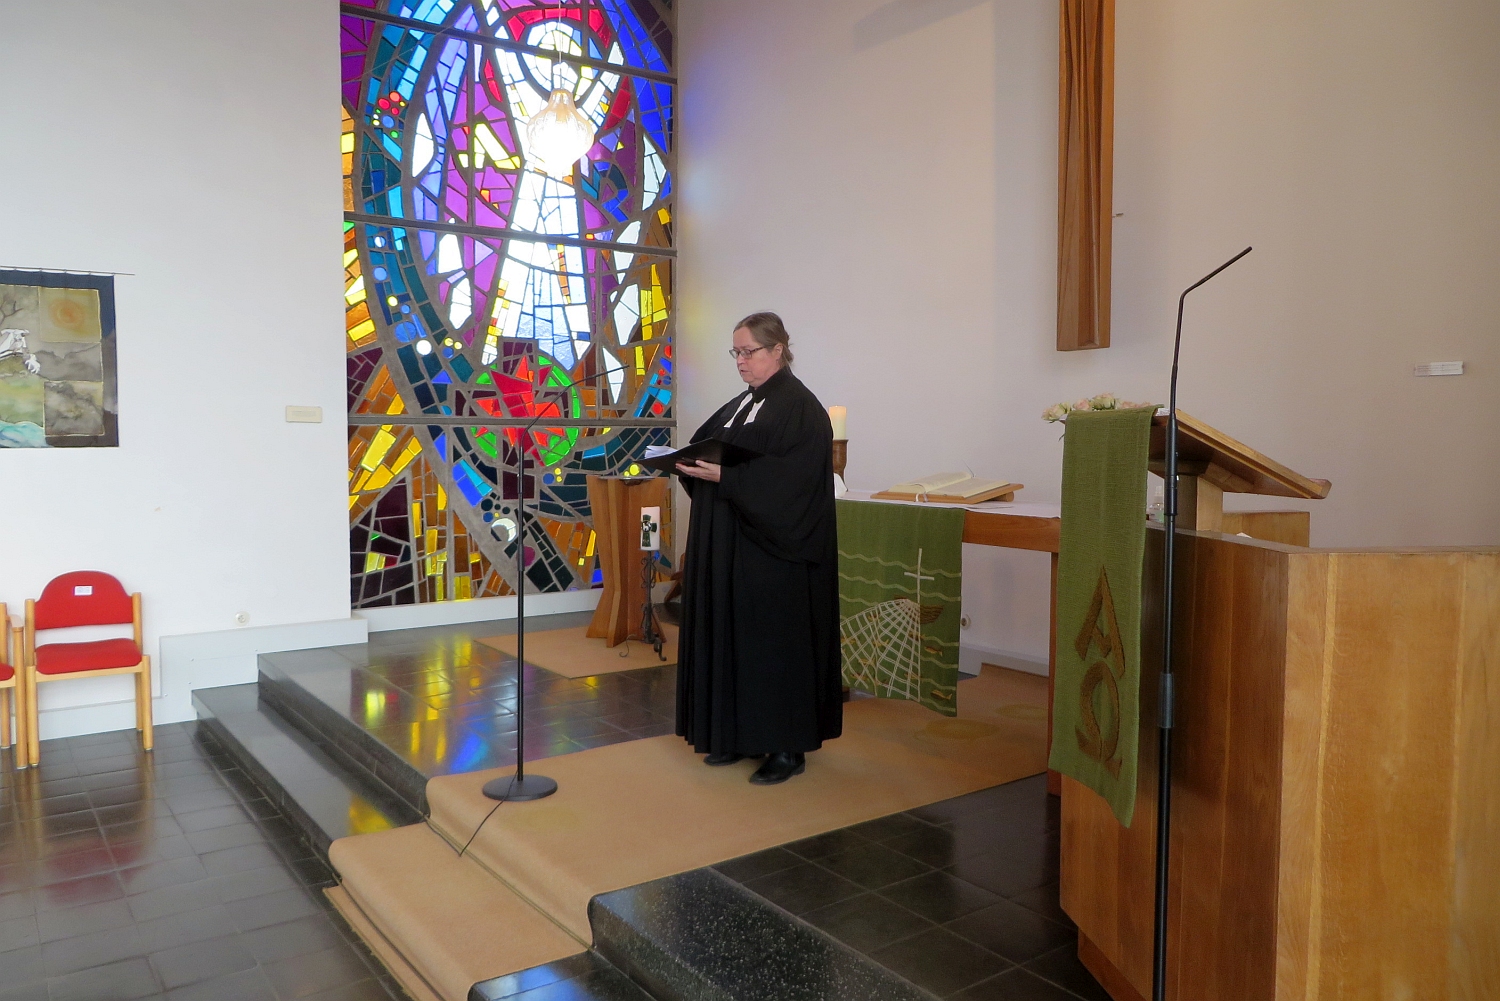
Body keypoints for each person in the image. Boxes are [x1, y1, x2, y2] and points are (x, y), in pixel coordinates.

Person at [674, 312, 842, 785]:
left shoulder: (801, 407)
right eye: (736, 352)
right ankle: (741, 734)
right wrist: (688, 464)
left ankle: (787, 748)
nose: (740, 361)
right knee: (736, 640)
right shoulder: (743, 403)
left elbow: (795, 482)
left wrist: (728, 477)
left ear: (778, 350)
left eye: (748, 352)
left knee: (772, 646)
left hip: (775, 554)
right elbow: (710, 445)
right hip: (733, 547)